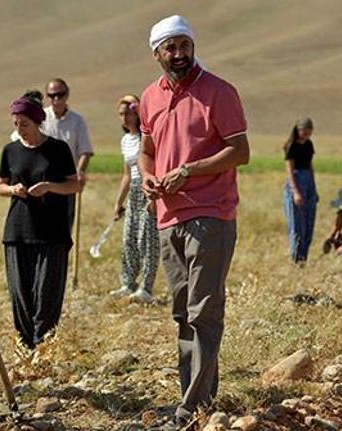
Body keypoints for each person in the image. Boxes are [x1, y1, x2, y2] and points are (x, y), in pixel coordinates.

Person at [138, 15, 250, 427]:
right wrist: (148, 176)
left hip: (211, 212)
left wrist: (190, 170)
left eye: (185, 45)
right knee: (184, 311)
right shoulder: (149, 98)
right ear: (157, 53)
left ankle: (190, 408)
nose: (180, 54)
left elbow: (240, 151)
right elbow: (146, 149)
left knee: (204, 308)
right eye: (171, 47)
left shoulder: (219, 91)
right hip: (168, 216)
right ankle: (201, 399)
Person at [0, 93, 80, 349]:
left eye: (25, 124)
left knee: (47, 293)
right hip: (18, 230)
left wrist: (49, 187)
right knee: (20, 292)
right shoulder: (10, 151)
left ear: (38, 122)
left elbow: (74, 185)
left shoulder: (58, 149)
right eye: (16, 124)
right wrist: (13, 190)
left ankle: (43, 346)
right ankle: (25, 346)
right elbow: (1, 185)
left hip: (52, 232)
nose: (20, 129)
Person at [9, 78, 94, 227]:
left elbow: (85, 150)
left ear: (67, 94)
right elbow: (17, 140)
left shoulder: (77, 120)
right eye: (52, 95)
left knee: (63, 227)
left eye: (60, 95)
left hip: (65, 182)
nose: (56, 99)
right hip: (37, 181)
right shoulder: (39, 116)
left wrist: (79, 172)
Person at [109, 95, 159, 303]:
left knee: (147, 239)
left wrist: (154, 197)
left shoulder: (147, 137)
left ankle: (146, 288)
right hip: (133, 192)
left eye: (129, 112)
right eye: (121, 114)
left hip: (149, 188)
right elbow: (127, 175)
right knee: (129, 238)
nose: (125, 118)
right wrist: (118, 203)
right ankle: (127, 283)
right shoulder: (126, 141)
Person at [282, 117, 318, 263]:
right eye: (304, 130)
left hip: (308, 182)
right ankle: (295, 258)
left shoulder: (309, 144)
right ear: (298, 130)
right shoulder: (291, 146)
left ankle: (304, 258)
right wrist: (295, 192)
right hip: (296, 182)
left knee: (309, 223)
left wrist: (314, 189)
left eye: (309, 131)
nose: (306, 134)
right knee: (297, 225)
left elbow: (310, 166)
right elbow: (289, 170)